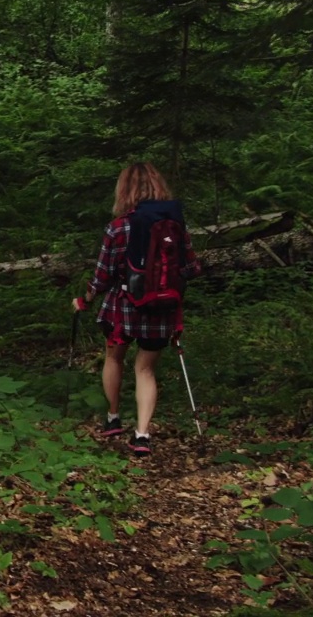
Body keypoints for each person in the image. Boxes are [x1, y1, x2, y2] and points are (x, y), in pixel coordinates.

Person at [72, 162, 202, 457]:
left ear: (124, 189)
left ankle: (113, 418)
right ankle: (142, 435)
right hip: (162, 308)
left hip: (123, 307)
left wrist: (85, 299)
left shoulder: (118, 227)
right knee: (145, 369)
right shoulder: (175, 225)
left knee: (113, 357)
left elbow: (102, 276)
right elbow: (192, 268)